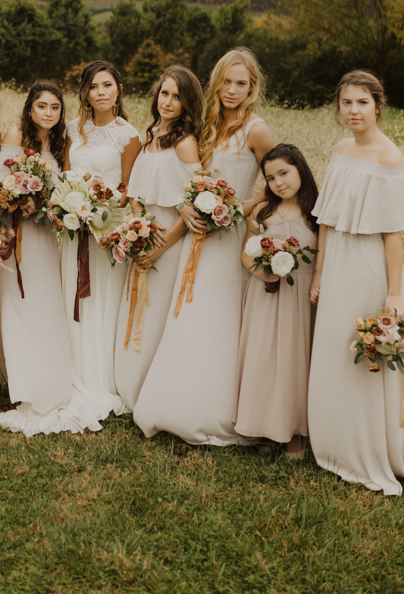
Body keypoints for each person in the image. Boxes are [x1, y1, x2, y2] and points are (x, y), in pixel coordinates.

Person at [134, 48, 274, 444]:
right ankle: (174, 401)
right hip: (197, 236)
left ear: (252, 87)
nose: (232, 90)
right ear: (216, 83)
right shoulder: (205, 124)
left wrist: (233, 210)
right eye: (226, 81)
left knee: (219, 318)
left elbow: (277, 183)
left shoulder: (256, 130)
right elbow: (188, 182)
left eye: (241, 83)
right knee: (187, 314)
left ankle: (219, 410)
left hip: (229, 238)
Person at [308, 71, 404, 493]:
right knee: (331, 346)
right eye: (346, 103)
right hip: (336, 261)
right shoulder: (341, 149)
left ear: (377, 106)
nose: (353, 111)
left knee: (362, 354)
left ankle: (370, 447)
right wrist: (319, 271)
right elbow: (325, 218)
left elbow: (393, 235)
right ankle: (333, 442)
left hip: (367, 265)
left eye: (362, 102)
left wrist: (394, 294)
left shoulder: (389, 158)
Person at [0, 81, 103, 435]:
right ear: (30, 108)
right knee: (18, 305)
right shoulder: (15, 134)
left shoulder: (60, 143)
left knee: (45, 305)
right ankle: (22, 382)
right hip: (15, 233)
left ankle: (49, 378)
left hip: (44, 235)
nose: (48, 113)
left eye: (54, 107)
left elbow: (62, 188)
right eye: (41, 106)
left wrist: (53, 204)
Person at [114, 66, 202, 412]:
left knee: (157, 312)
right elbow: (138, 189)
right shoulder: (150, 134)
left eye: (177, 96)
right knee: (137, 309)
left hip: (169, 237)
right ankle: (128, 385)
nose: (168, 101)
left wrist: (159, 247)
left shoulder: (185, 144)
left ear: (187, 103)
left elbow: (192, 206)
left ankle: (153, 391)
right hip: (144, 230)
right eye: (164, 93)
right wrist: (136, 227)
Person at [61, 60, 141, 420]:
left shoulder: (128, 135)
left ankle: (102, 377)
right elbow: (64, 176)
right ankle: (70, 371)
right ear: (85, 92)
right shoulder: (72, 130)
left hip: (106, 230)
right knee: (70, 297)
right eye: (93, 87)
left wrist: (97, 207)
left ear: (118, 89)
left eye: (107, 85)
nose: (101, 92)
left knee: (103, 301)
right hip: (71, 227)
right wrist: (72, 204)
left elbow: (128, 189)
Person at [234, 143, 318, 456]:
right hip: (266, 294)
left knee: (296, 361)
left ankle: (294, 432)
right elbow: (246, 254)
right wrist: (264, 271)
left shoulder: (317, 212)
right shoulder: (263, 212)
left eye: (284, 173)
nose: (278, 182)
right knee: (265, 358)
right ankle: (265, 427)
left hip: (300, 297)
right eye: (270, 178)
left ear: (300, 170)